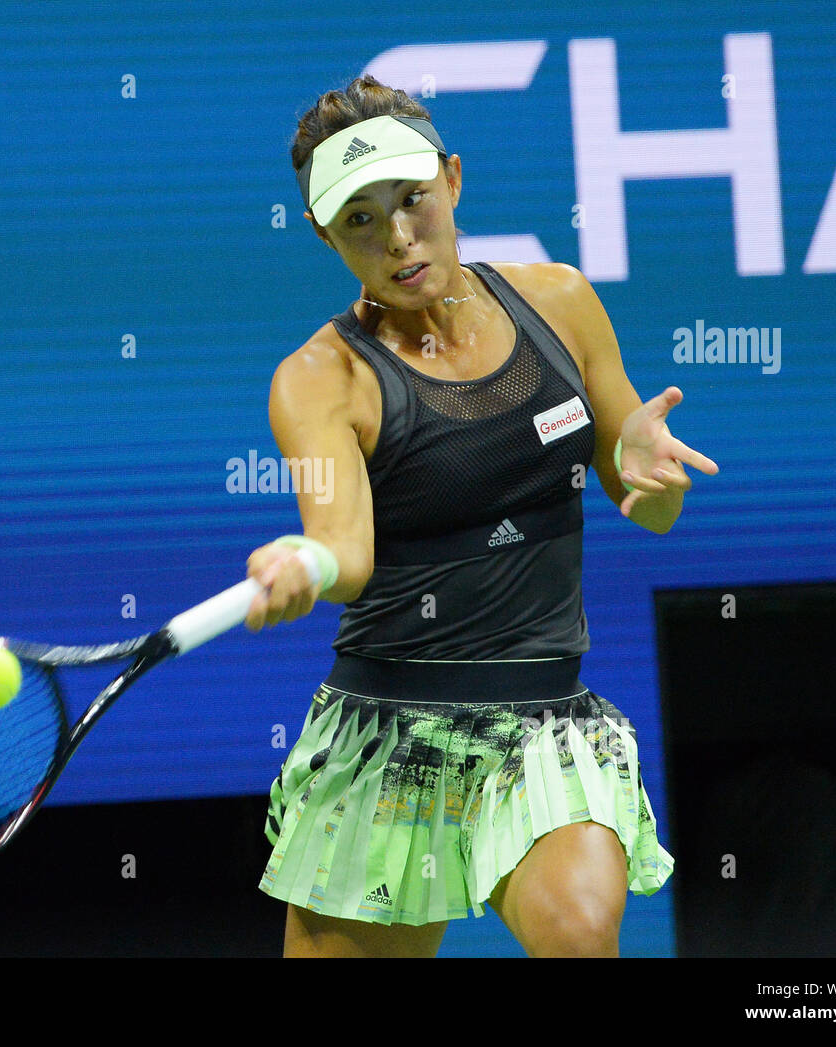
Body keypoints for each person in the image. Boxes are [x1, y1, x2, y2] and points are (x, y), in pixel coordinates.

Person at [244, 76, 719, 958]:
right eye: (359, 219)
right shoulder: (317, 380)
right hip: (386, 741)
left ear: (453, 180)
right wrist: (301, 566)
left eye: (412, 199)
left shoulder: (562, 304)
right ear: (323, 234)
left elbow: (645, 505)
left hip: (546, 724)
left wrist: (652, 480)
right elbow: (342, 549)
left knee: (580, 934)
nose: (397, 236)